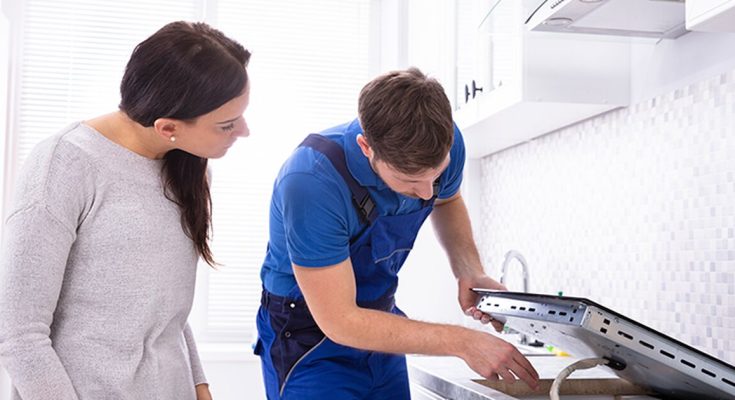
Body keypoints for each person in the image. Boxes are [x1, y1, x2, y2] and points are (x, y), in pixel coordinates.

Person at [0, 21, 250, 400]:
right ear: (168, 127)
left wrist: (200, 387)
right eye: (227, 124)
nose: (244, 131)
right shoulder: (64, 166)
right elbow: (18, 333)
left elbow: (164, 313)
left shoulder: (190, 171)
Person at [255, 67, 539, 399]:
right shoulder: (310, 182)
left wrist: (469, 271)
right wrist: (463, 341)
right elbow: (341, 321)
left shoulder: (445, 143)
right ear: (366, 147)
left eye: (436, 175)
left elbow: (448, 202)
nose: (425, 192)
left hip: (380, 322)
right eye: (409, 180)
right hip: (310, 338)